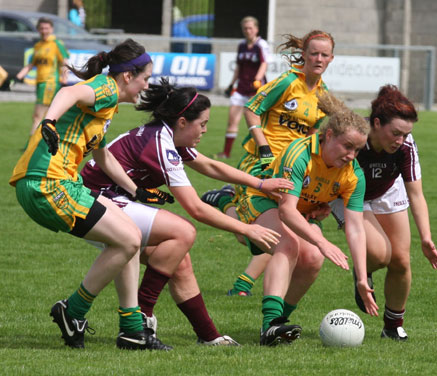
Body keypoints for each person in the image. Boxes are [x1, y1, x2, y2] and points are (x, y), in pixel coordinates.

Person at [80, 78, 293, 348]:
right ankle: (142, 317)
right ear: (182, 122)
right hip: (97, 202)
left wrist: (261, 184)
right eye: (202, 123)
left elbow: (209, 165)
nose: (205, 130)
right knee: (183, 231)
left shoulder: (167, 136)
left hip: (112, 200)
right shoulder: (160, 143)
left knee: (179, 261)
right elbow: (195, 208)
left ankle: (209, 336)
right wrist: (246, 228)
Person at [9, 39, 160, 350]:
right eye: (145, 77)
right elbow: (68, 92)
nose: (147, 85)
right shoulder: (105, 87)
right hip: (47, 185)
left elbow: (101, 155)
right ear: (128, 76)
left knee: (129, 236)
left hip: (62, 183)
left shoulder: (108, 104)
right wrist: (48, 120)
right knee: (129, 239)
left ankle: (131, 328)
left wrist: (136, 190)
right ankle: (72, 311)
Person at [232, 91, 378, 346]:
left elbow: (355, 228)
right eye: (347, 146)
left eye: (357, 149)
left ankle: (279, 325)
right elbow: (286, 210)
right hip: (262, 195)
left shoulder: (353, 174)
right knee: (287, 244)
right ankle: (270, 326)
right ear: (329, 136)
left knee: (312, 258)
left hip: (299, 208)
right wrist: (322, 241)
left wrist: (362, 278)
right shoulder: (300, 153)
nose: (352, 155)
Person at [202, 30, 335, 296]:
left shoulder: (324, 96)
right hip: (261, 164)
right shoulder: (287, 82)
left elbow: (313, 139)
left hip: (291, 171)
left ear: (331, 58)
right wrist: (263, 146)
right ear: (305, 55)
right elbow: (252, 109)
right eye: (314, 53)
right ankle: (225, 202)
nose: (318, 59)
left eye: (324, 54)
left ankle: (244, 285)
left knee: (281, 234)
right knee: (251, 234)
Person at [331, 85, 437, 341]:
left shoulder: (405, 146)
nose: (400, 140)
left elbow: (416, 194)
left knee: (401, 261)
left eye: (405, 134)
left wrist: (426, 238)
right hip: (347, 195)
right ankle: (363, 272)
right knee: (381, 254)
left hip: (386, 190)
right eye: (395, 133)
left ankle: (392, 326)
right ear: (375, 123)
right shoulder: (354, 138)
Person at [214, 16, 270, 159]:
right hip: (241, 89)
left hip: (256, 89)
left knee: (256, 123)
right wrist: (232, 84)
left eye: (250, 28)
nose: (247, 31)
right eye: (245, 28)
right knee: (232, 120)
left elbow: (264, 64)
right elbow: (239, 66)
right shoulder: (242, 45)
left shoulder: (261, 45)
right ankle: (226, 153)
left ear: (256, 29)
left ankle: (261, 152)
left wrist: (257, 79)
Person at [15, 17, 70, 137]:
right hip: (40, 83)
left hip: (50, 83)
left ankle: (32, 145)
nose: (44, 31)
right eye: (41, 28)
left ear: (51, 29)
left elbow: (65, 63)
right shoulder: (38, 45)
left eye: (46, 28)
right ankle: (49, 141)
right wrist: (18, 77)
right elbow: (31, 64)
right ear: (38, 29)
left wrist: (64, 80)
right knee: (50, 115)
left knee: (38, 115)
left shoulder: (56, 44)